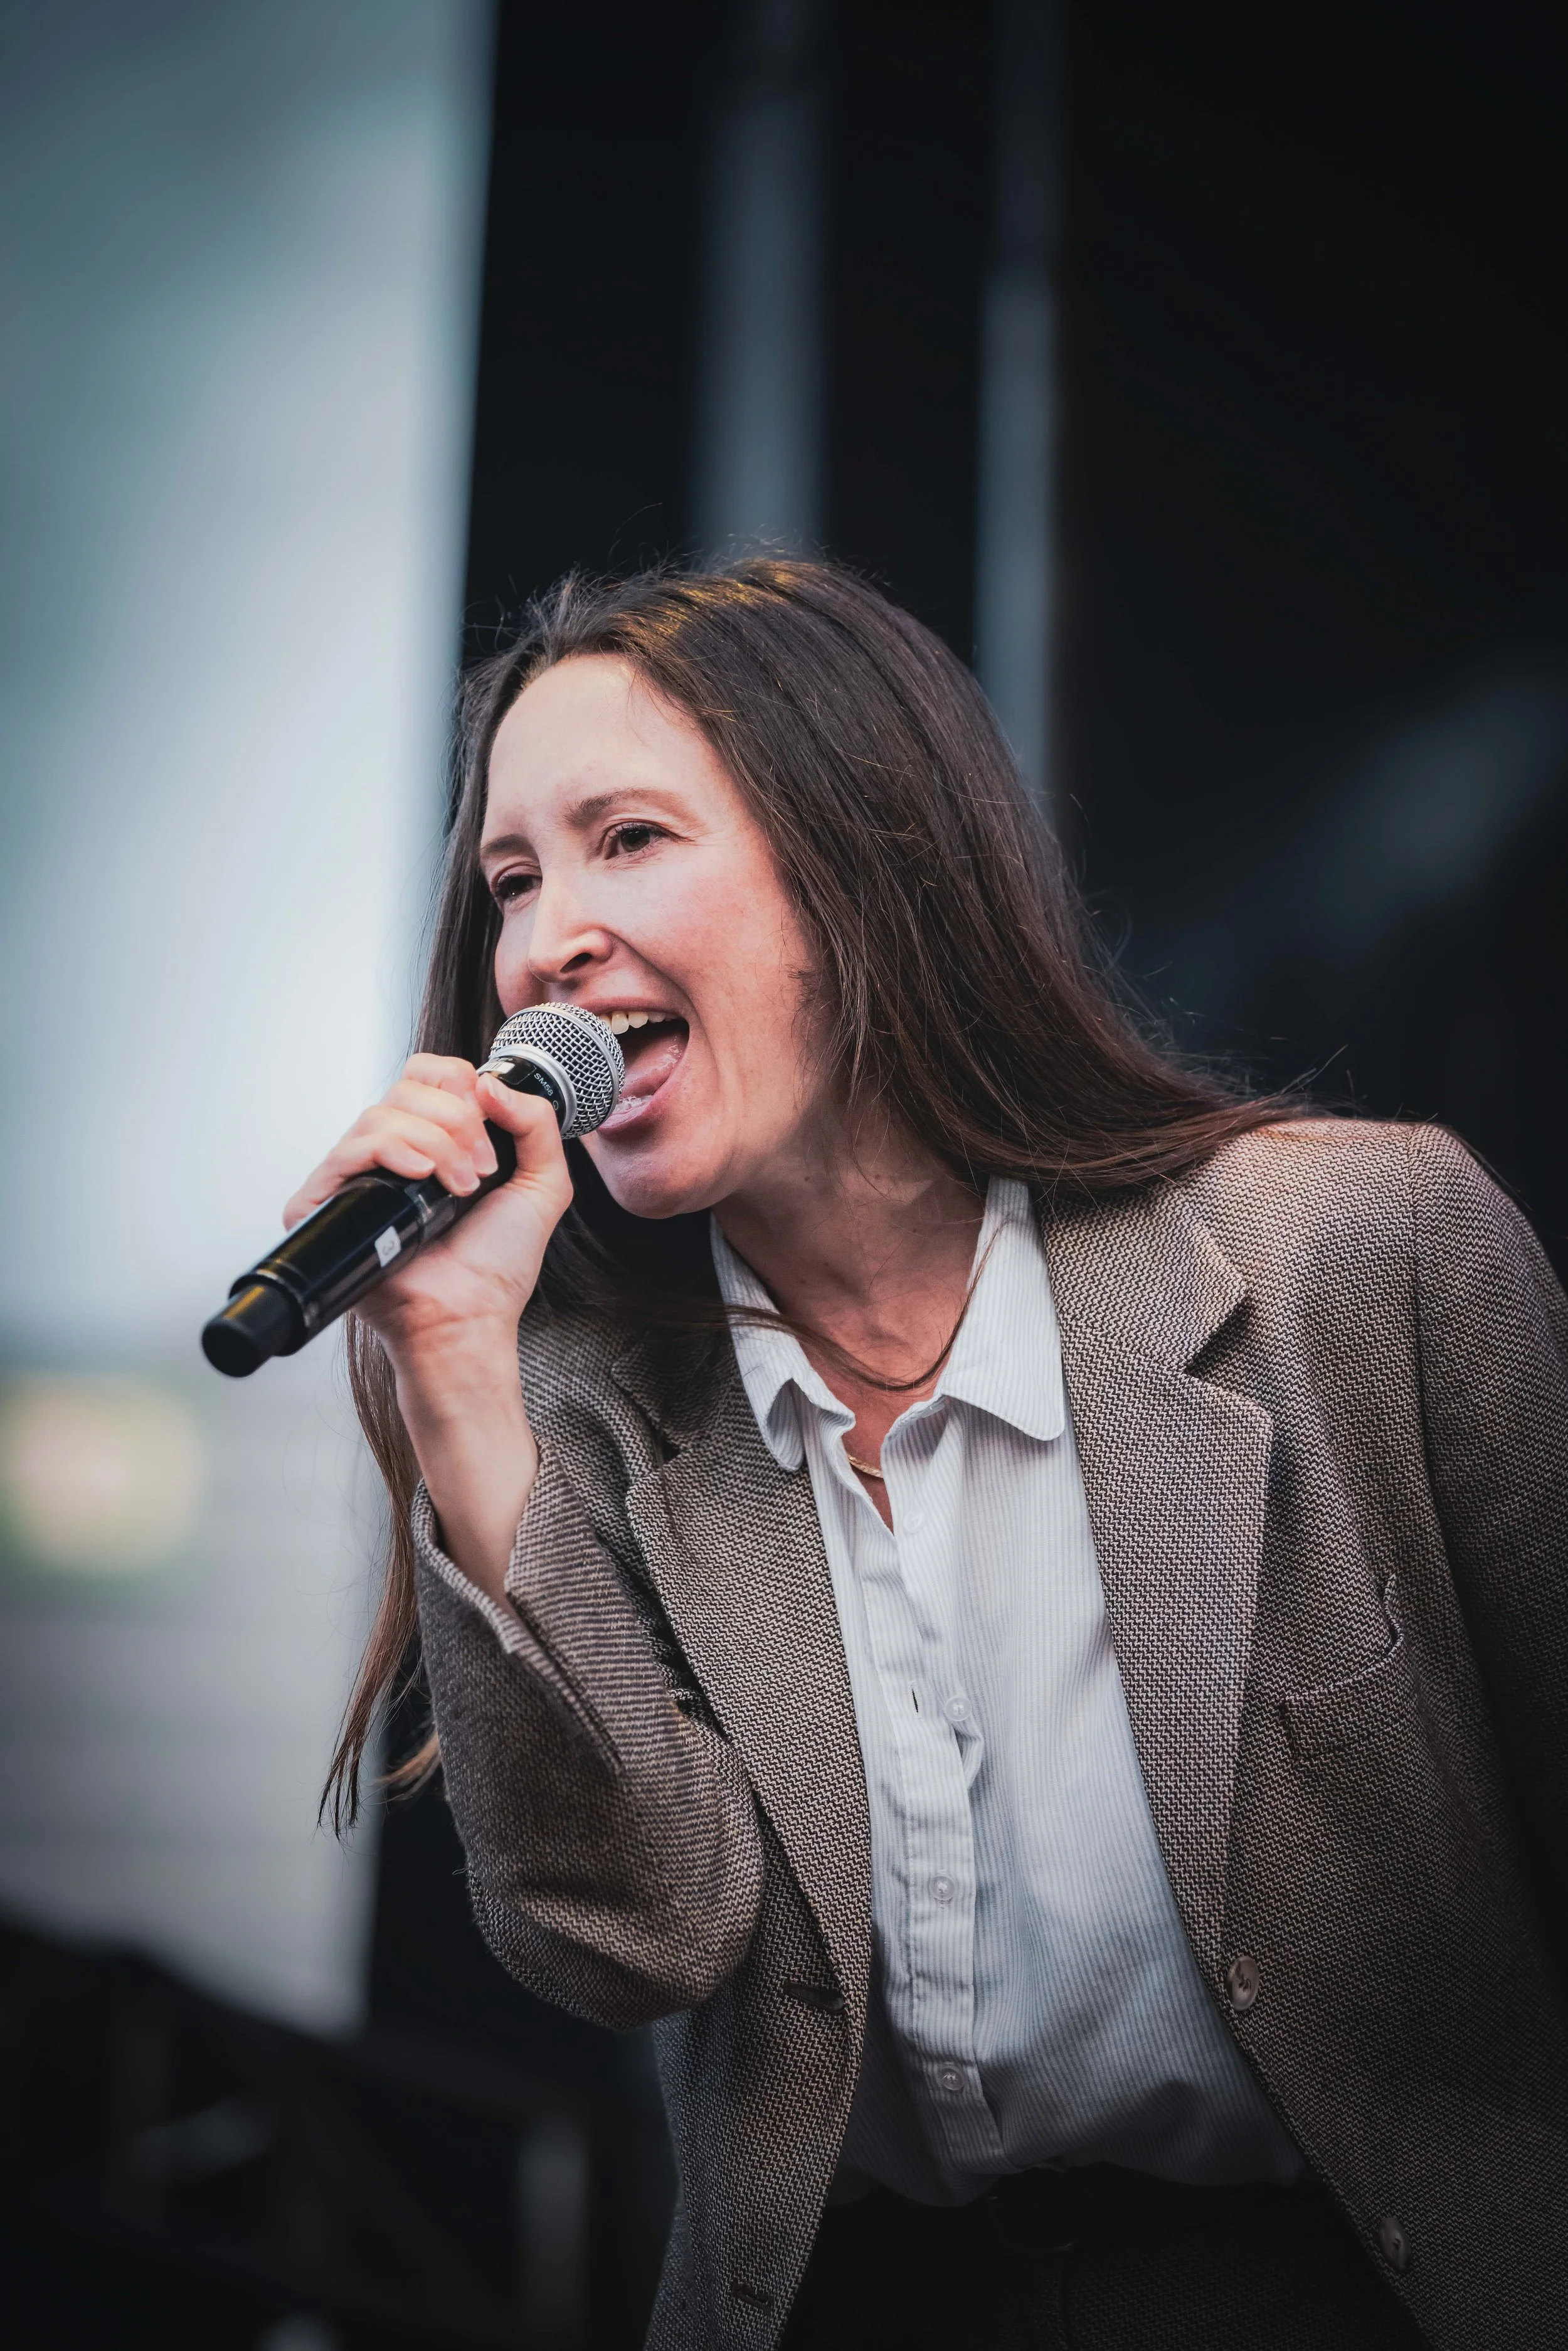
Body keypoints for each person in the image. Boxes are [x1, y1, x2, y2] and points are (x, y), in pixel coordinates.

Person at [290, 560, 1567, 2351]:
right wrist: (450, 1369)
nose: (545, 938)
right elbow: (627, 1940)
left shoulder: (1354, 1253)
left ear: (864, 858)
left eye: (629, 836)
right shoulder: (575, 1399)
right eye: (512, 880)